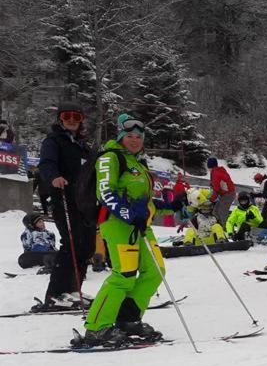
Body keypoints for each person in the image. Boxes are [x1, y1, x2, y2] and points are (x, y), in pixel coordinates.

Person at [76, 114, 182, 347]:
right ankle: (97, 327)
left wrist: (166, 206)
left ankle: (128, 319)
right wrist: (126, 213)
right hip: (117, 224)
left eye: (138, 136)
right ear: (121, 137)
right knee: (124, 275)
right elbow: (105, 192)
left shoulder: (138, 163)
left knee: (155, 270)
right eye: (130, 136)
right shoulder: (110, 157)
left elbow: (143, 200)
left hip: (141, 226)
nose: (134, 140)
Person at [35, 101, 97, 311]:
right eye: (67, 116)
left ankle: (73, 289)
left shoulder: (84, 146)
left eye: (76, 117)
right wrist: (54, 178)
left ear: (81, 121)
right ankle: (56, 293)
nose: (71, 120)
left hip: (85, 202)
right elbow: (46, 164)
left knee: (87, 246)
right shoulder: (54, 141)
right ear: (60, 119)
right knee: (71, 243)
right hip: (64, 198)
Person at [207, 156, 235, 226]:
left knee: (222, 212)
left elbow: (216, 189)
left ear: (210, 166)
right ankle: (217, 226)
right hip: (226, 194)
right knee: (215, 211)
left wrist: (211, 200)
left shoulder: (215, 173)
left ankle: (224, 229)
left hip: (228, 194)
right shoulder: (218, 170)